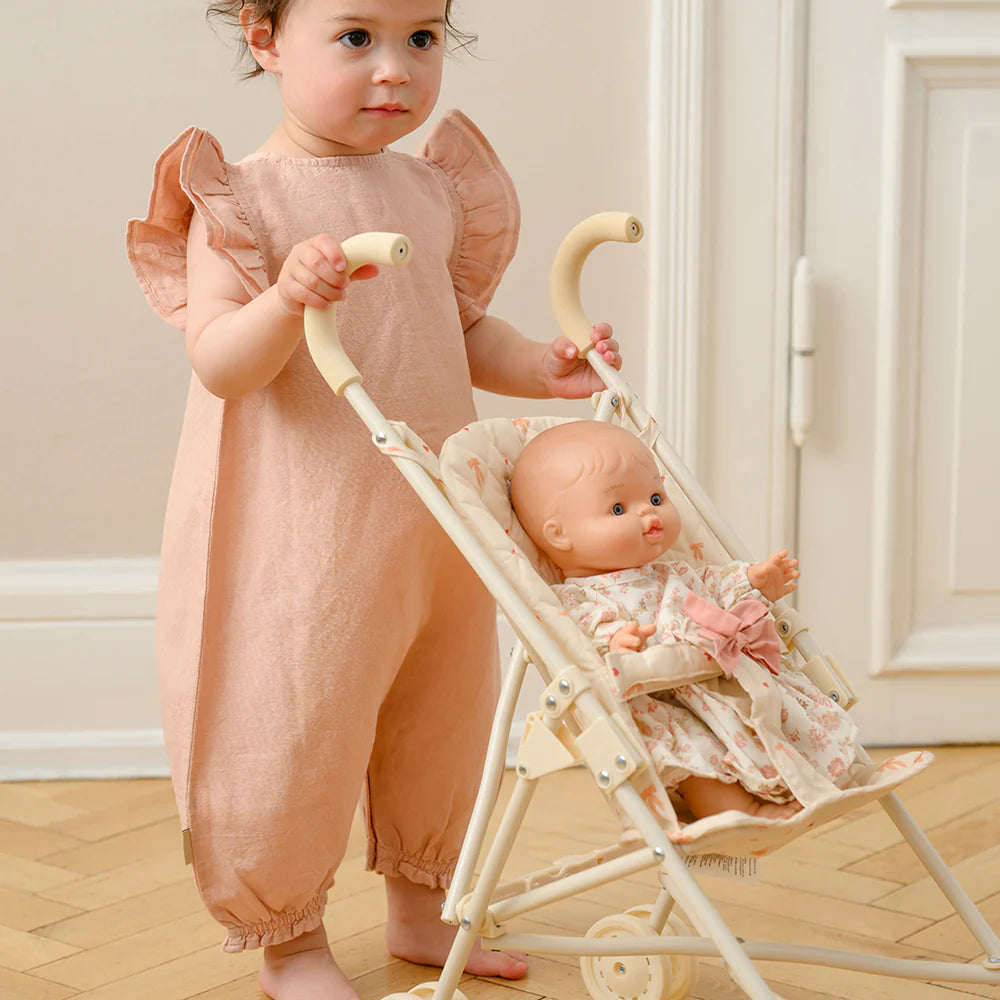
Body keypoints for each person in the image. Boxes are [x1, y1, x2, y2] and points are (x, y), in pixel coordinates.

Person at [125, 3, 622, 998]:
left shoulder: (427, 192)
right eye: (356, 37)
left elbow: (456, 329)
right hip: (303, 531)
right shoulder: (243, 201)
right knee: (295, 722)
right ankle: (291, 943)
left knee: (444, 717)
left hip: (434, 523)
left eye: (421, 39)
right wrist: (285, 299)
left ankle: (424, 905)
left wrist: (541, 365)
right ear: (265, 39)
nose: (395, 68)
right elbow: (220, 361)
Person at [509, 420, 862, 824]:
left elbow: (716, 588)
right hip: (662, 704)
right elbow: (579, 637)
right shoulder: (577, 599)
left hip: (721, 689)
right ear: (559, 535)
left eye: (656, 497)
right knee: (695, 755)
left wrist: (754, 581)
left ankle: (801, 778)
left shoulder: (675, 571)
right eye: (619, 508)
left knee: (771, 712)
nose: (649, 512)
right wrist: (615, 644)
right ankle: (743, 811)